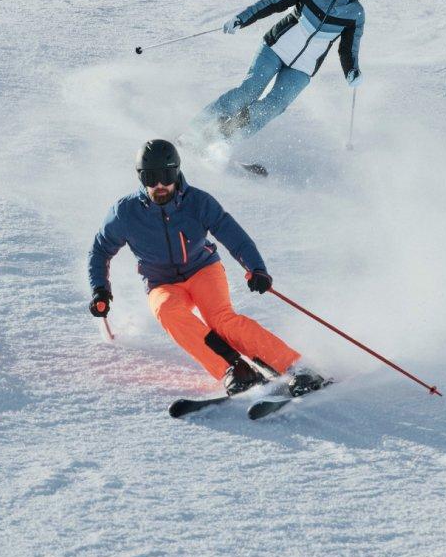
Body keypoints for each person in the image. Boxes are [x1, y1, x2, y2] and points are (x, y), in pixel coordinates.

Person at [88, 139, 325, 396]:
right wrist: (100, 289)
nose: (159, 185)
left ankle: (296, 367)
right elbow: (100, 250)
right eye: (151, 177)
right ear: (141, 178)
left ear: (176, 171)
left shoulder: (197, 202)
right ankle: (234, 369)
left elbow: (234, 236)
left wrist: (257, 269)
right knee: (168, 312)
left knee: (222, 321)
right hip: (161, 282)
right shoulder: (125, 213)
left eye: (166, 175)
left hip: (203, 270)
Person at [191, 0, 368, 145]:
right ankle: (194, 131)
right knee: (249, 92)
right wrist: (242, 18)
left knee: (273, 106)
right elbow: (273, 2)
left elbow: (348, 48)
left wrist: (352, 70)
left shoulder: (355, 13)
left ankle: (223, 140)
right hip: (275, 48)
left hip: (303, 67)